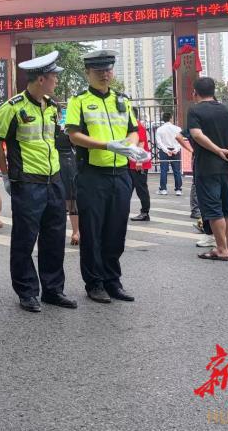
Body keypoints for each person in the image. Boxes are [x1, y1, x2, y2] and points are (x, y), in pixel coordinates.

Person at [0, 52, 77, 312]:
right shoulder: (13, 107)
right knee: (25, 239)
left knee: (54, 237)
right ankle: (27, 292)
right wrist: (6, 174)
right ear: (41, 79)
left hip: (54, 181)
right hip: (28, 182)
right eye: (54, 77)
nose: (56, 81)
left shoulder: (51, 106)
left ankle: (53, 290)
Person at [65, 49, 148, 304]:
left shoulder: (122, 100)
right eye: (99, 70)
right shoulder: (78, 101)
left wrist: (130, 146)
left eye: (108, 69)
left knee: (116, 230)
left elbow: (133, 130)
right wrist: (107, 145)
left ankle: (113, 281)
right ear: (88, 73)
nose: (105, 74)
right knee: (92, 232)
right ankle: (94, 283)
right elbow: (74, 135)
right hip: (93, 175)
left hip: (121, 174)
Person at [186, 77, 228, 261]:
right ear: (213, 91)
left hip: (207, 167)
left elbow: (196, 134)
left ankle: (221, 249)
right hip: (227, 166)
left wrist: (218, 150)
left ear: (195, 93)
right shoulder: (227, 110)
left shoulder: (195, 110)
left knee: (213, 208)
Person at [56, 127, 79, 246]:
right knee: (64, 200)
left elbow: (75, 141)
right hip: (55, 160)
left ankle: (76, 231)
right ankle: (74, 232)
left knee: (71, 199)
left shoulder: (68, 122)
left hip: (67, 160)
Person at [129, 119, 153, 221]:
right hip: (131, 163)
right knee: (127, 189)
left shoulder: (137, 125)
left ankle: (145, 213)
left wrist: (139, 161)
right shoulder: (131, 124)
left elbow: (141, 142)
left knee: (141, 189)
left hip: (139, 164)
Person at [155, 112, 184, 196]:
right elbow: (181, 140)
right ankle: (178, 189)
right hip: (175, 151)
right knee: (177, 170)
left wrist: (166, 150)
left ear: (163, 119)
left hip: (164, 151)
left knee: (163, 170)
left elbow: (159, 142)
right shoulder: (178, 128)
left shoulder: (159, 129)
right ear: (171, 118)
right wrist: (176, 149)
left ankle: (163, 189)